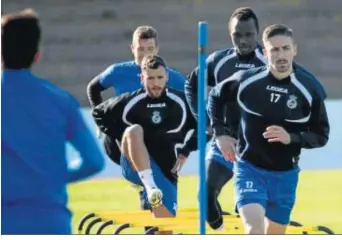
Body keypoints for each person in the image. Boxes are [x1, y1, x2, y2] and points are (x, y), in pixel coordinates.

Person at [208, 24, 329, 234]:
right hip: (250, 169)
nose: (280, 55)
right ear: (265, 53)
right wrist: (220, 133)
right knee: (254, 231)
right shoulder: (247, 81)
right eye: (274, 50)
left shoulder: (310, 89)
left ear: (294, 50)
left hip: (285, 176)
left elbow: (321, 135)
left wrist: (291, 138)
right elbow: (215, 97)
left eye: (285, 48)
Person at [1, 9, 105, 234]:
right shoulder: (60, 101)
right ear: (37, 55)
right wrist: (49, 178)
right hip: (51, 222)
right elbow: (94, 161)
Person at [91, 55, 197, 233]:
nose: (155, 83)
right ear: (142, 78)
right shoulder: (130, 100)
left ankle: (154, 192)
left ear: (167, 78)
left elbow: (205, 127)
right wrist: (118, 135)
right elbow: (98, 113)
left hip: (166, 171)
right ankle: (149, 186)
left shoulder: (181, 102)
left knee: (165, 230)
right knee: (134, 131)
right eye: (150, 78)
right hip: (133, 165)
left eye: (159, 78)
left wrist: (186, 150)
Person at [184, 7, 266, 230]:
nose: (243, 40)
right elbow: (191, 86)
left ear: (257, 33)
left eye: (248, 34)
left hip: (259, 149)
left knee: (251, 209)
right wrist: (207, 123)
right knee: (205, 197)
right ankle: (221, 232)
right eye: (237, 35)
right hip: (225, 143)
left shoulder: (269, 62)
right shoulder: (218, 61)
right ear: (230, 35)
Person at [86, 25, 186, 166]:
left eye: (150, 49)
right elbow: (93, 88)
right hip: (122, 138)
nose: (145, 54)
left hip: (156, 137)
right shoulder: (117, 71)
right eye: (140, 49)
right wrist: (98, 114)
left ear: (157, 50)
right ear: (132, 49)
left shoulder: (170, 76)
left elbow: (193, 95)